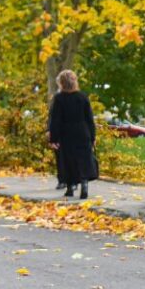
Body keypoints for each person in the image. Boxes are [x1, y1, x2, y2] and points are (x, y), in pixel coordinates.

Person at [47, 70, 97, 199]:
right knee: (84, 159)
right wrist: (93, 137)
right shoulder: (82, 97)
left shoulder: (59, 99)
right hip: (82, 131)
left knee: (68, 160)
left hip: (66, 133)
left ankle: (70, 187)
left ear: (61, 83)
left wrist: (53, 138)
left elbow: (55, 120)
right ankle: (84, 184)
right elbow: (90, 119)